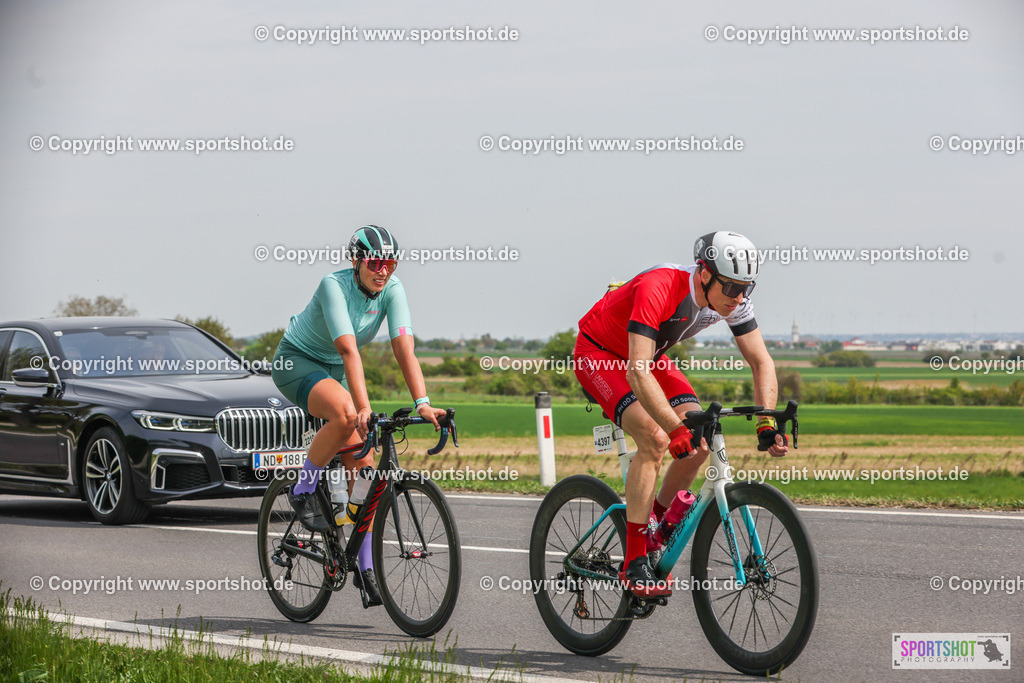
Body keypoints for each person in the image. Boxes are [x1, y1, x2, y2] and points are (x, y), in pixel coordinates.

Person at [573, 231, 789, 598]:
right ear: (704, 274)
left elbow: (761, 361)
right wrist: (673, 429)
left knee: (700, 440)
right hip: (600, 355)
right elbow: (637, 371)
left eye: (746, 288)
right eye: (732, 287)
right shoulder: (659, 285)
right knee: (655, 438)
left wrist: (767, 422)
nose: (739, 297)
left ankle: (655, 531)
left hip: (650, 357)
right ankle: (634, 561)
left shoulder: (733, 301)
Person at [271, 225, 446, 607]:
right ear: (356, 260)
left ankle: (363, 568)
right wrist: (363, 409)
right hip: (298, 361)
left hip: (334, 371)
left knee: (365, 470)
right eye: (375, 262)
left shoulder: (393, 290)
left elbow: (404, 350)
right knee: (347, 414)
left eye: (391, 263)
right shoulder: (333, 285)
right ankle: (302, 489)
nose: (383, 271)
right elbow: (350, 351)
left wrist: (422, 403)